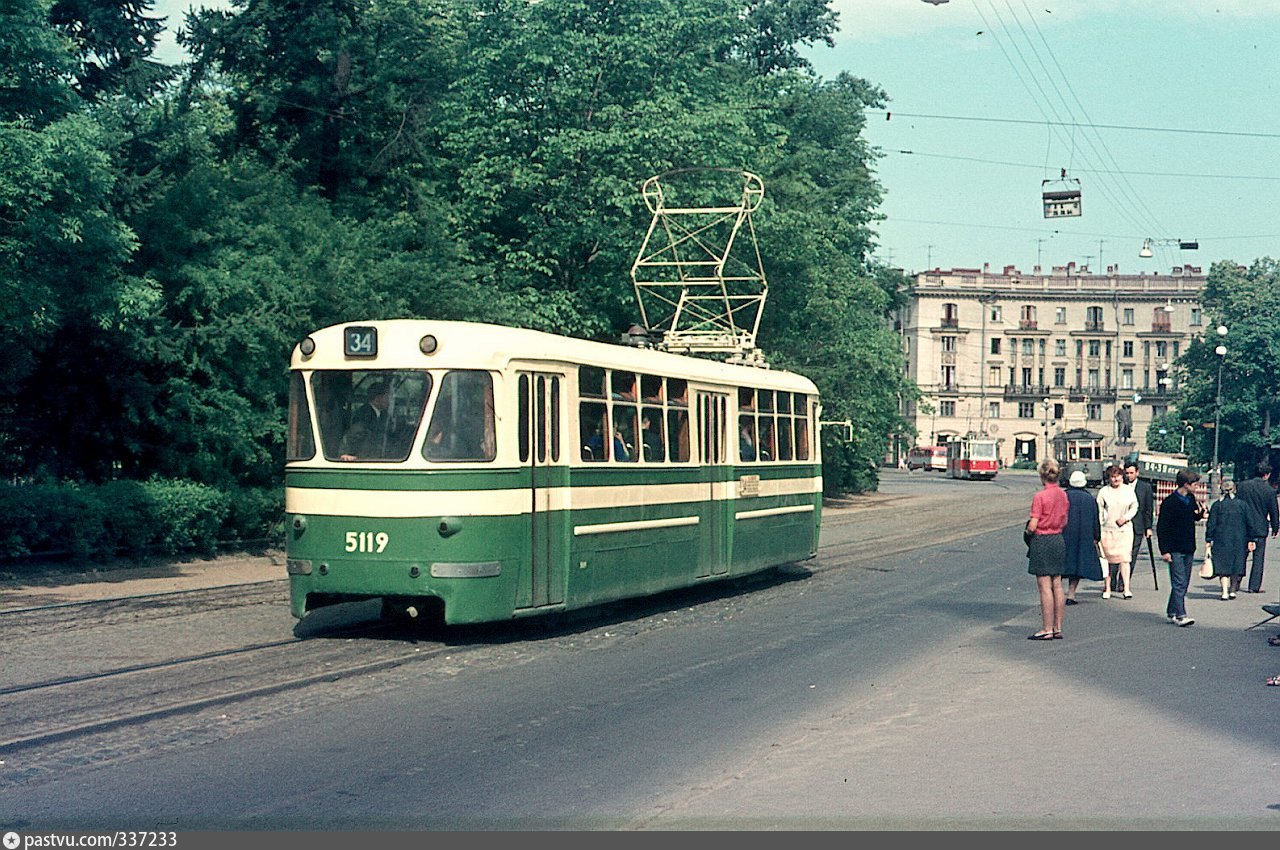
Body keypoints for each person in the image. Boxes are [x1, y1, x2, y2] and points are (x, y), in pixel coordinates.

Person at [1024, 457, 1068, 640]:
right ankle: (1058, 627)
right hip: (1058, 539)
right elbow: (1064, 521)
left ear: (1042, 476)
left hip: (1042, 540)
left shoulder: (1040, 496)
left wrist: (1028, 531)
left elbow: (1033, 525)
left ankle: (1046, 628)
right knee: (1057, 584)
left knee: (1044, 587)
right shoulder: (1063, 495)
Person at [1156, 468, 1206, 627]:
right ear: (1185, 484)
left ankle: (1172, 610)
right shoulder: (1170, 502)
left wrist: (1200, 513)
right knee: (1178, 582)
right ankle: (1181, 614)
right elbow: (1162, 528)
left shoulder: (1191, 499)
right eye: (1195, 484)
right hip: (1174, 548)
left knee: (1183, 582)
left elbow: (1192, 516)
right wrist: (1164, 550)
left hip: (1188, 546)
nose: (1197, 487)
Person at [1205, 479, 1264, 600]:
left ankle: (1224, 591)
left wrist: (1209, 538)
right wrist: (1251, 539)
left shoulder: (1217, 505)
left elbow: (1211, 523)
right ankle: (1232, 590)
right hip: (1239, 538)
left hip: (1221, 539)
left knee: (1223, 566)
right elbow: (1249, 523)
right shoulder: (1242, 505)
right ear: (1234, 489)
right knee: (1236, 564)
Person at [1236, 462, 1280, 593]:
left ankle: (1236, 581)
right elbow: (1273, 511)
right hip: (1260, 527)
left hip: (1243, 526)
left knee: (1241, 555)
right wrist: (1275, 527)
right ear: (1266, 475)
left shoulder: (1242, 487)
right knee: (1258, 558)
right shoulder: (1269, 491)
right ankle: (1254, 586)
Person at [1097, 464, 1138, 599]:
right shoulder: (1104, 491)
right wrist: (1101, 524)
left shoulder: (1128, 491)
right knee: (1107, 560)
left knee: (1125, 559)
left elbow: (1134, 506)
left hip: (1124, 530)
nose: (1116, 479)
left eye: (1118, 476)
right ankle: (1107, 588)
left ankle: (1126, 588)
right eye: (1113, 477)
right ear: (1109, 478)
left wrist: (1125, 518)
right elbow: (1100, 510)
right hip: (1107, 530)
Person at [1061, 469, 1102, 605]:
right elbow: (1096, 519)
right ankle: (1071, 594)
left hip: (1064, 534)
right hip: (1083, 536)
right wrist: (1097, 536)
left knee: (1062, 565)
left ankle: (1057, 593)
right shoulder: (1090, 499)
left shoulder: (1063, 496)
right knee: (1077, 567)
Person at [339, 382, 391, 461]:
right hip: (364, 457)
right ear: (378, 398)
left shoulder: (383, 415)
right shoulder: (364, 414)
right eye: (387, 397)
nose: (389, 400)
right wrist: (346, 453)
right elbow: (354, 433)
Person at [1123, 460, 1155, 586]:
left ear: (1137, 473)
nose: (1129, 476)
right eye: (1127, 473)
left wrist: (1148, 527)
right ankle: (1113, 580)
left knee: (1133, 554)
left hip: (1138, 525)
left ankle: (1124, 581)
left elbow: (1148, 508)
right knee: (1120, 554)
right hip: (1122, 525)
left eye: (1131, 473)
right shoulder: (1121, 485)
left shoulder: (1145, 487)